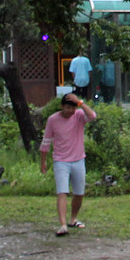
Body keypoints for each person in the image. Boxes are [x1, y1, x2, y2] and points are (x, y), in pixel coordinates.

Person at [39, 92, 97, 236]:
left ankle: (73, 219)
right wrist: (43, 161)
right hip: (60, 161)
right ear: (62, 106)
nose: (70, 111)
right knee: (62, 192)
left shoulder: (79, 115)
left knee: (79, 193)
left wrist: (80, 103)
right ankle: (63, 224)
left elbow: (92, 116)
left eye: (72, 108)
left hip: (78, 159)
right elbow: (46, 141)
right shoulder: (53, 119)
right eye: (67, 108)